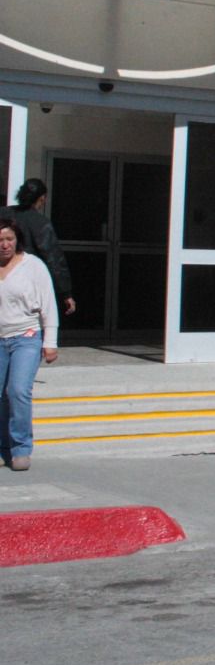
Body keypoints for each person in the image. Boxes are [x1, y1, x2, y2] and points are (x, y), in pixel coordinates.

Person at [0, 215, 61, 471]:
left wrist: (50, 341)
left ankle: (21, 448)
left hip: (26, 337)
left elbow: (48, 304)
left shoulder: (33, 266)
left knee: (17, 390)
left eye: (9, 239)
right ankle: (3, 448)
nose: (5, 244)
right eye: (0, 240)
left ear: (17, 240)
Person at [7, 178, 75, 317]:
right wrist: (66, 293)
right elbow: (54, 258)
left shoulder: (3, 214)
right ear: (41, 198)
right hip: (26, 286)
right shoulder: (40, 222)